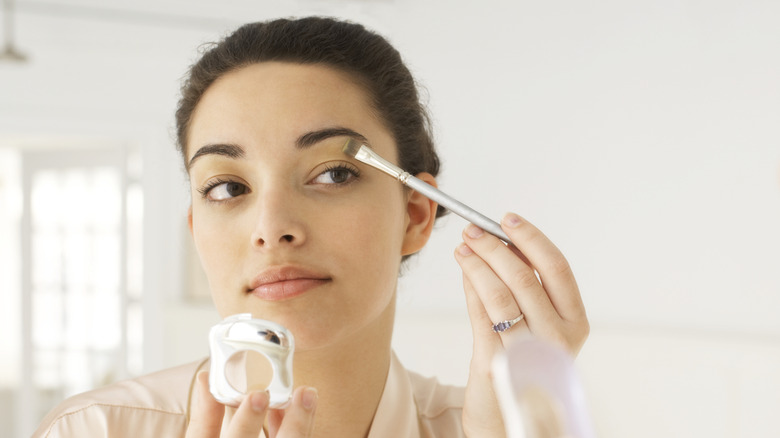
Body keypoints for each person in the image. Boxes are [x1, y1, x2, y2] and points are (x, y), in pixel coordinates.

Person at [34, 16, 589, 438]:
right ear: (195, 229)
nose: (272, 228)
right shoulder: (94, 428)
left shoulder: (494, 428)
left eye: (334, 174)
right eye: (227, 187)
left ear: (416, 215)